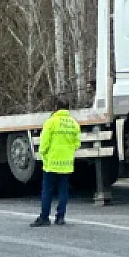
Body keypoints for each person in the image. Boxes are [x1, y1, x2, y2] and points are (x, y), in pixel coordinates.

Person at [31, 96, 81, 227]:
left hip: (51, 162)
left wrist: (42, 154)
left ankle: (44, 217)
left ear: (56, 108)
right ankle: (60, 218)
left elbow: (44, 142)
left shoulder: (51, 122)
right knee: (63, 191)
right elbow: (77, 143)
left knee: (47, 190)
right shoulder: (73, 124)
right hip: (66, 164)